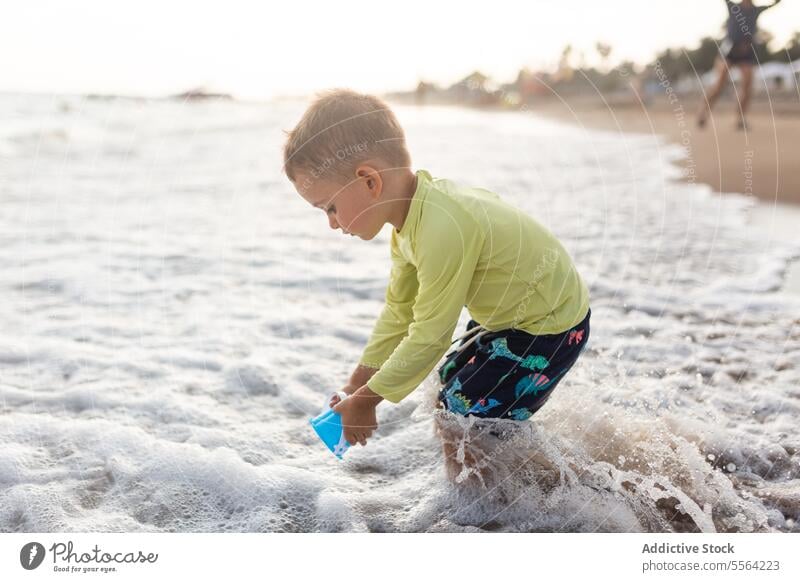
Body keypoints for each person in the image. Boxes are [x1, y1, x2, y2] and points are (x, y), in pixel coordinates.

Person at [282, 89, 591, 481]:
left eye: (329, 207)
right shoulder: (407, 226)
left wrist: (369, 400)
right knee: (449, 388)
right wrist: (357, 384)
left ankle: (499, 501)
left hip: (549, 325)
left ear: (369, 181)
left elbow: (430, 335)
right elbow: (400, 313)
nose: (331, 222)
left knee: (463, 411)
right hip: (511, 317)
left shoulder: (442, 227)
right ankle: (489, 486)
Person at [697, 0, 783, 130]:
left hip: (747, 51)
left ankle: (740, 118)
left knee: (747, 85)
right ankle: (703, 112)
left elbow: (775, 3)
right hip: (730, 50)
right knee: (719, 84)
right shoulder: (733, 6)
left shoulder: (756, 10)